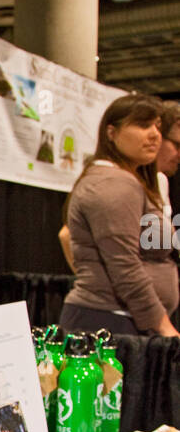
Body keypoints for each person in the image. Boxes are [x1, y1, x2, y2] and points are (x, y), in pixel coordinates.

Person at [58, 94, 179, 337]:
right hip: (111, 324)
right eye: (143, 125)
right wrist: (165, 327)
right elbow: (124, 266)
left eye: (157, 126)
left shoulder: (132, 181)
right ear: (111, 133)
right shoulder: (114, 183)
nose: (154, 134)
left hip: (124, 321)